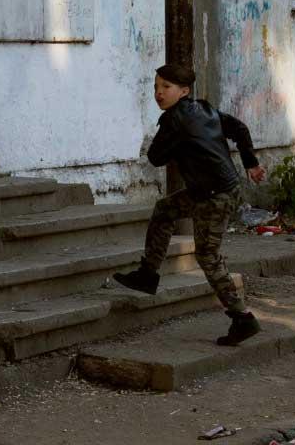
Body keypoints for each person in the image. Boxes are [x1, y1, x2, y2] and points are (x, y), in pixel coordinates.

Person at [112, 64, 266, 347]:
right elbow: (239, 129)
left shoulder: (175, 120)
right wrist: (251, 163)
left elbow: (156, 157)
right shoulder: (205, 109)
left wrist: (173, 139)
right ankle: (147, 274)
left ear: (183, 91)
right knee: (165, 210)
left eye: (166, 87)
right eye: (156, 87)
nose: (158, 93)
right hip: (216, 189)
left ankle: (242, 317)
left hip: (214, 196)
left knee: (207, 256)